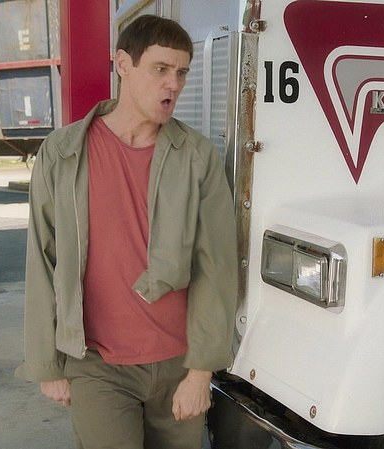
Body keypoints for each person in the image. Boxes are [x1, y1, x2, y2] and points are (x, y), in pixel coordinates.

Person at [15, 14, 238, 449]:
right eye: (160, 69)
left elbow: (216, 267)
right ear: (123, 65)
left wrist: (200, 372)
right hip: (96, 363)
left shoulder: (196, 156)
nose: (173, 84)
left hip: (177, 364)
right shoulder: (63, 152)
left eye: (181, 72)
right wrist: (47, 363)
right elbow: (42, 259)